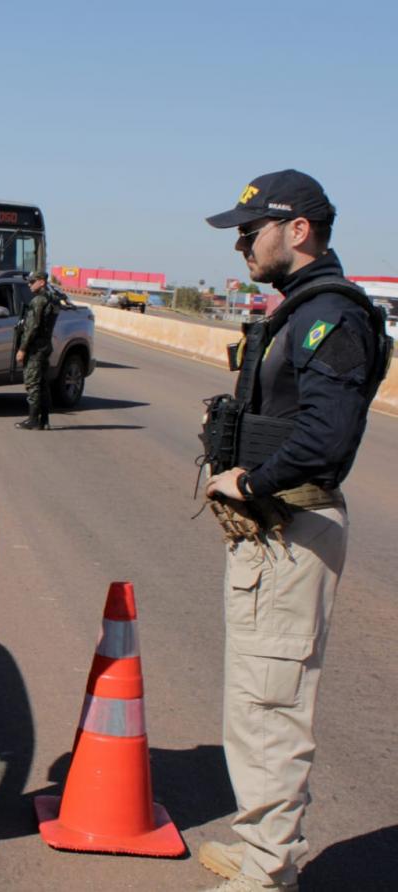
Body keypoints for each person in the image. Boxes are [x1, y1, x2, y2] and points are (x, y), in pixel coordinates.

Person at [201, 170, 386, 892]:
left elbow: (326, 433)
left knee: (272, 702)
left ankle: (269, 873)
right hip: (268, 535)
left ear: (298, 230)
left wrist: (248, 480)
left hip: (290, 528)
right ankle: (259, 851)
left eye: (251, 232)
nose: (241, 245)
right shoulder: (297, 311)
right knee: (252, 700)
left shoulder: (330, 317)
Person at [14, 270, 57, 430]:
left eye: (32, 282)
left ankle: (33, 419)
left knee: (32, 383)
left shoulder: (38, 301)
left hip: (35, 348)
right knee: (43, 383)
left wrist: (22, 349)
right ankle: (44, 420)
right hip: (45, 346)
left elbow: (32, 327)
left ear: (41, 282)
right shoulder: (51, 299)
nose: (29, 284)